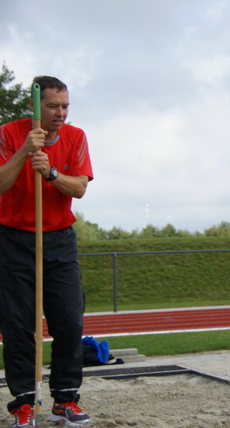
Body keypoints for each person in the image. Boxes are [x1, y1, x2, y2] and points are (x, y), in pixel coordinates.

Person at [0, 76, 93, 426]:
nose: (60, 113)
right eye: (53, 106)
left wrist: (51, 172)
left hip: (59, 239)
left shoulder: (76, 138)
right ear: (35, 107)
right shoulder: (9, 133)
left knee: (69, 320)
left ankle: (65, 400)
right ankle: (23, 403)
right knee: (18, 324)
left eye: (65, 106)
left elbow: (80, 188)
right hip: (12, 237)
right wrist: (25, 151)